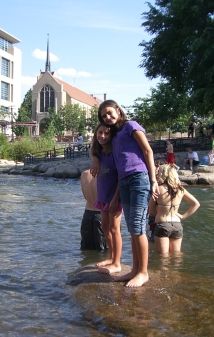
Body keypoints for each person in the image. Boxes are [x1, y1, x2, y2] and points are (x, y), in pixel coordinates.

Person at [90, 99, 158, 288]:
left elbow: (147, 151)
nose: (108, 117)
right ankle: (135, 270)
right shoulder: (115, 133)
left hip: (138, 178)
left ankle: (143, 272)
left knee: (138, 226)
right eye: (104, 116)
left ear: (119, 111)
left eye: (110, 113)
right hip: (124, 180)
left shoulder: (130, 126)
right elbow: (96, 146)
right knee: (132, 228)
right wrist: (94, 157)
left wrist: (153, 180)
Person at [91, 123, 123, 274]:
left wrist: (116, 198)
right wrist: (95, 160)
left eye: (106, 133)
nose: (102, 136)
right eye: (100, 133)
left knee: (114, 229)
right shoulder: (97, 152)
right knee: (104, 227)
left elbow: (121, 177)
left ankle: (117, 263)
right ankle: (111, 257)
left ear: (112, 136)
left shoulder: (115, 153)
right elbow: (92, 150)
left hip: (114, 196)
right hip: (103, 195)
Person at [148, 164, 200, 254]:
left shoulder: (158, 189)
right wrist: (183, 216)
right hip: (177, 225)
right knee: (176, 255)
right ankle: (175, 269)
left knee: (163, 257)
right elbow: (196, 204)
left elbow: (151, 212)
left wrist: (160, 213)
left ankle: (163, 269)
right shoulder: (181, 189)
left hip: (162, 224)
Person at [80, 170, 108, 251]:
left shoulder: (84, 174)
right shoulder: (106, 173)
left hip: (87, 214)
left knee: (87, 250)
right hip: (102, 214)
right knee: (104, 250)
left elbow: (85, 196)